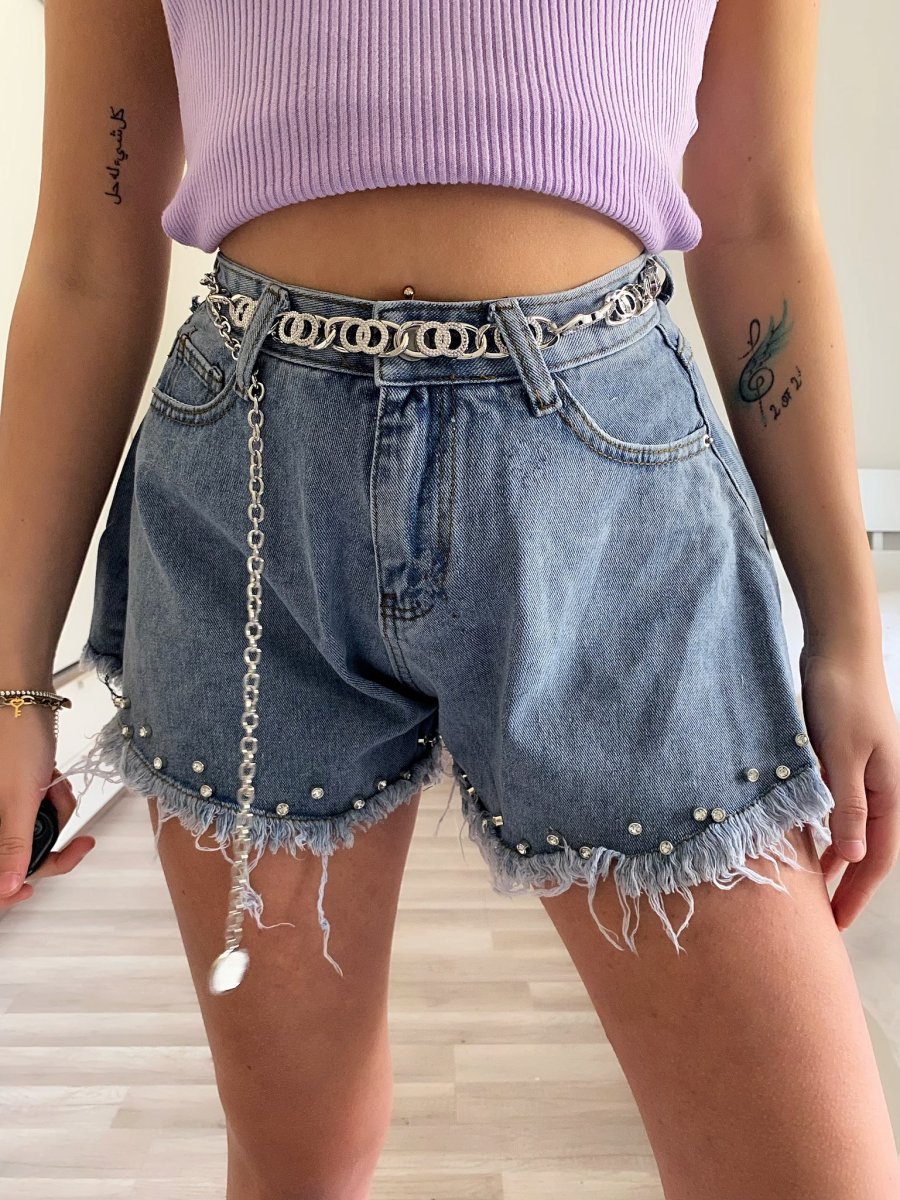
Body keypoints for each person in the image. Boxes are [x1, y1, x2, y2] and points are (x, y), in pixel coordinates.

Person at [2, 1, 898, 1197]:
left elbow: (760, 217)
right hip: (253, 490)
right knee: (298, 1158)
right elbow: (84, 253)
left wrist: (846, 630)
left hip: (610, 498)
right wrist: (13, 685)